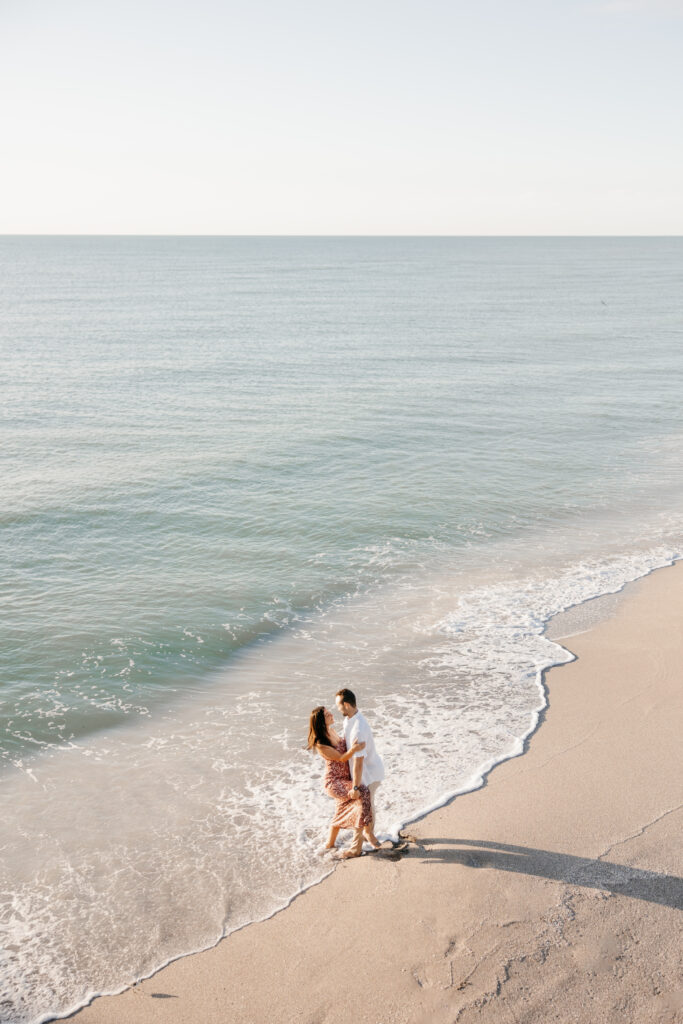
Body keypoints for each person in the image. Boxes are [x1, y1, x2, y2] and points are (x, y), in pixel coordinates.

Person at [307, 706, 381, 859]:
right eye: (327, 714)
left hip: (345, 779)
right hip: (334, 782)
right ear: (321, 721)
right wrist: (355, 749)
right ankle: (366, 833)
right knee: (363, 792)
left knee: (340, 811)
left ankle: (329, 844)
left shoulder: (332, 731)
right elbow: (341, 758)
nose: (331, 714)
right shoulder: (321, 743)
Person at [335, 688, 385, 858]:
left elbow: (358, 763)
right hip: (364, 772)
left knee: (363, 808)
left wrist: (355, 786)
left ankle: (358, 846)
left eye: (338, 706)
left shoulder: (358, 728)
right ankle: (367, 833)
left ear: (346, 705)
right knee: (365, 807)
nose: (337, 709)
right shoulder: (349, 719)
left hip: (369, 774)